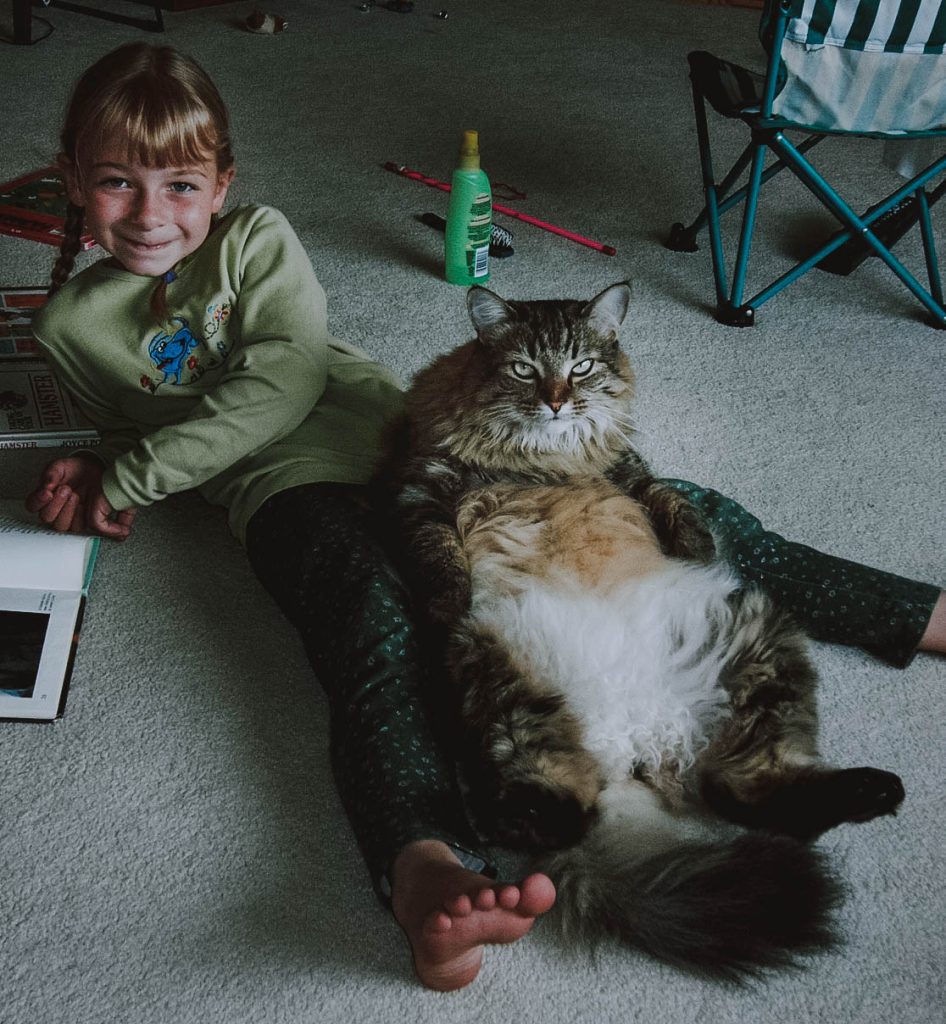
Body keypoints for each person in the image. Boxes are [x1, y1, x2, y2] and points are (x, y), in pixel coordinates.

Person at [24, 43, 944, 995]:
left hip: (426, 443)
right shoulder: (67, 328)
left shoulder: (257, 237)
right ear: (72, 184)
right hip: (290, 496)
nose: (149, 212)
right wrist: (97, 462)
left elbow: (283, 377)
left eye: (178, 184)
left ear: (220, 185)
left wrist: (127, 476)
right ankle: (424, 872)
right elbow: (141, 417)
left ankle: (916, 612)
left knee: (691, 515)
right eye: (114, 184)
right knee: (375, 636)